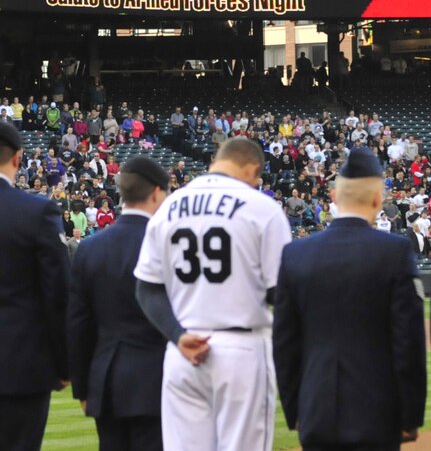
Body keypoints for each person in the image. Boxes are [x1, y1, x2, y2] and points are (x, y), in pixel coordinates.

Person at [134, 137, 292, 451]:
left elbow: (147, 288)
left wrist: (178, 335)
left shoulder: (169, 207)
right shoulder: (262, 208)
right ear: (253, 169)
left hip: (183, 351)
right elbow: (281, 293)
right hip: (241, 350)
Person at [274, 148, 426, 450]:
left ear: (333, 196)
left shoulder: (295, 254)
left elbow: (284, 345)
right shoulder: (394, 252)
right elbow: (408, 341)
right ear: (376, 199)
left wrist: (296, 410)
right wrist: (410, 415)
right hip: (378, 413)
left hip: (316, 409)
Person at [68, 157, 170, 451]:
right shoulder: (170, 243)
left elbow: (78, 325)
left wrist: (83, 388)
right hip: (159, 379)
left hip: (107, 381)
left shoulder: (90, 248)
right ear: (155, 192)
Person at [0, 122, 70, 450]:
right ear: (17, 159)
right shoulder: (36, 212)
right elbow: (57, 294)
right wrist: (65, 363)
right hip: (19, 367)